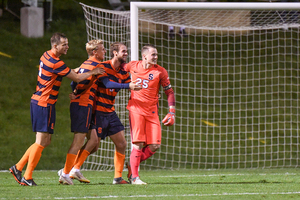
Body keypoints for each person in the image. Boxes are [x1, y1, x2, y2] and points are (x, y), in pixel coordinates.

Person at [9, 32, 105, 186]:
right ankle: (26, 176)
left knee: (45, 141)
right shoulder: (56, 63)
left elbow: (68, 71)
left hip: (42, 102)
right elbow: (77, 78)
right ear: (55, 46)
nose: (67, 47)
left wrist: (80, 68)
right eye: (64, 44)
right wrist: (93, 71)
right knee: (41, 141)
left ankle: (18, 167)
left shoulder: (46, 55)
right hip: (43, 103)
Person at [59, 40, 141, 185]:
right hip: (96, 111)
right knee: (93, 143)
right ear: (115, 53)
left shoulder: (123, 72)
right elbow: (100, 82)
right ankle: (71, 169)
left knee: (121, 143)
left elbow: (131, 88)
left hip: (110, 111)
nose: (126, 54)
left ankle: (117, 178)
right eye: (124, 51)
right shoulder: (101, 66)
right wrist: (76, 92)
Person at [123, 44, 176, 184]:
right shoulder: (132, 66)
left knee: (155, 145)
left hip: (152, 112)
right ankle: (135, 177)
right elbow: (116, 70)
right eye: (153, 55)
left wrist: (172, 111)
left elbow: (169, 92)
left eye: (156, 55)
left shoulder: (160, 71)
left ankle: (131, 164)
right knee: (138, 144)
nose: (156, 57)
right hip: (136, 110)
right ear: (144, 56)